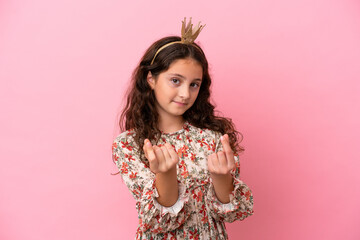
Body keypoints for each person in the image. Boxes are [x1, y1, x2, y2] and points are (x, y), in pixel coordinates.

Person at [112, 18, 254, 239]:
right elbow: (161, 221)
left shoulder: (212, 139)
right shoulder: (128, 144)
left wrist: (221, 177)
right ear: (151, 78)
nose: (186, 94)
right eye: (175, 81)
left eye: (194, 84)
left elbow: (233, 213)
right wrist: (166, 173)